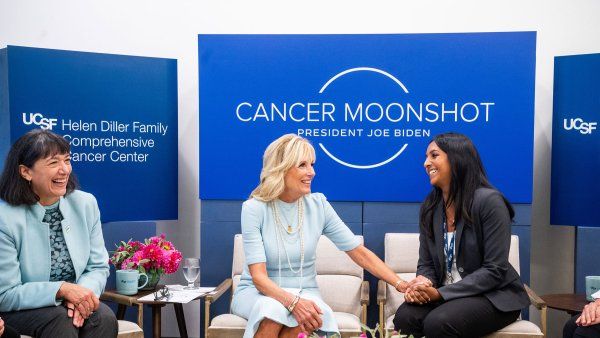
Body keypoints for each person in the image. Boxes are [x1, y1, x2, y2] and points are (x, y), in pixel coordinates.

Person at [232, 134, 409, 338]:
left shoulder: (318, 205)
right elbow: (259, 278)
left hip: (305, 291)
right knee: (273, 313)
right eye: (302, 165)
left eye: (312, 165)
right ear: (280, 168)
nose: (312, 172)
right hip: (257, 293)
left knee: (305, 320)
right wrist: (293, 303)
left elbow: (358, 252)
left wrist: (400, 283)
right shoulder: (254, 208)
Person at [393, 132, 530, 338]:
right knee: (405, 318)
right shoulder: (431, 208)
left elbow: (495, 270)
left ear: (457, 158)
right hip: (448, 294)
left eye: (434, 155)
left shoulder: (489, 202)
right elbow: (427, 264)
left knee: (439, 323)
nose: (426, 163)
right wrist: (424, 283)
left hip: (493, 296)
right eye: (426, 157)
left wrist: (439, 294)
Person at [0, 129, 118, 338]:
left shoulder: (85, 203)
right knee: (61, 322)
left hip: (71, 301)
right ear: (26, 172)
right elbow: (6, 294)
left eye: (67, 160)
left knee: (103, 318)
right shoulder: (5, 217)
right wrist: (62, 290)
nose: (65, 170)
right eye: (53, 163)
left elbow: (98, 267)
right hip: (20, 309)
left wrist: (80, 296)